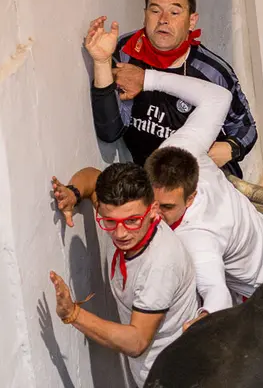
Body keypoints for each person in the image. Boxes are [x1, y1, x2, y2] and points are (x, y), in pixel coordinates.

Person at [54, 68, 263, 327]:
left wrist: (205, 319)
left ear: (191, 199)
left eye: (168, 207)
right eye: (153, 201)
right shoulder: (182, 147)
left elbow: (216, 292)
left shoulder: (198, 237)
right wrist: (148, 80)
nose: (155, 213)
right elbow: (218, 97)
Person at [85, 0, 257, 178]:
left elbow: (246, 127)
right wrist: (102, 62)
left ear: (191, 21)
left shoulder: (212, 72)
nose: (163, 20)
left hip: (204, 181)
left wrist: (230, 148)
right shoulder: (123, 51)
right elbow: (110, 131)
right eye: (155, 10)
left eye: (175, 12)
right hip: (152, 183)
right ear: (145, 14)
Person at [49, 162, 198, 387]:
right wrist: (74, 193)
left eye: (131, 221)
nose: (120, 234)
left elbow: (136, 341)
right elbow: (92, 177)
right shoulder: (122, 211)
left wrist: (73, 314)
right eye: (109, 221)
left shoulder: (160, 265)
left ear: (154, 210)